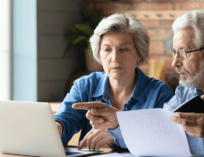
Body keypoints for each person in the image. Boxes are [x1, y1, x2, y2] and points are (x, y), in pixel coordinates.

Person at [73, 10, 204, 157]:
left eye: (183, 53)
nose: (174, 63)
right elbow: (153, 138)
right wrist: (118, 122)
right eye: (174, 53)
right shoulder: (184, 94)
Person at [54, 14, 174, 150]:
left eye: (124, 49)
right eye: (107, 50)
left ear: (139, 54)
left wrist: (117, 136)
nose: (115, 57)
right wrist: (56, 129)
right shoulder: (85, 86)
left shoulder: (160, 93)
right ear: (99, 53)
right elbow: (65, 120)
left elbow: (165, 141)